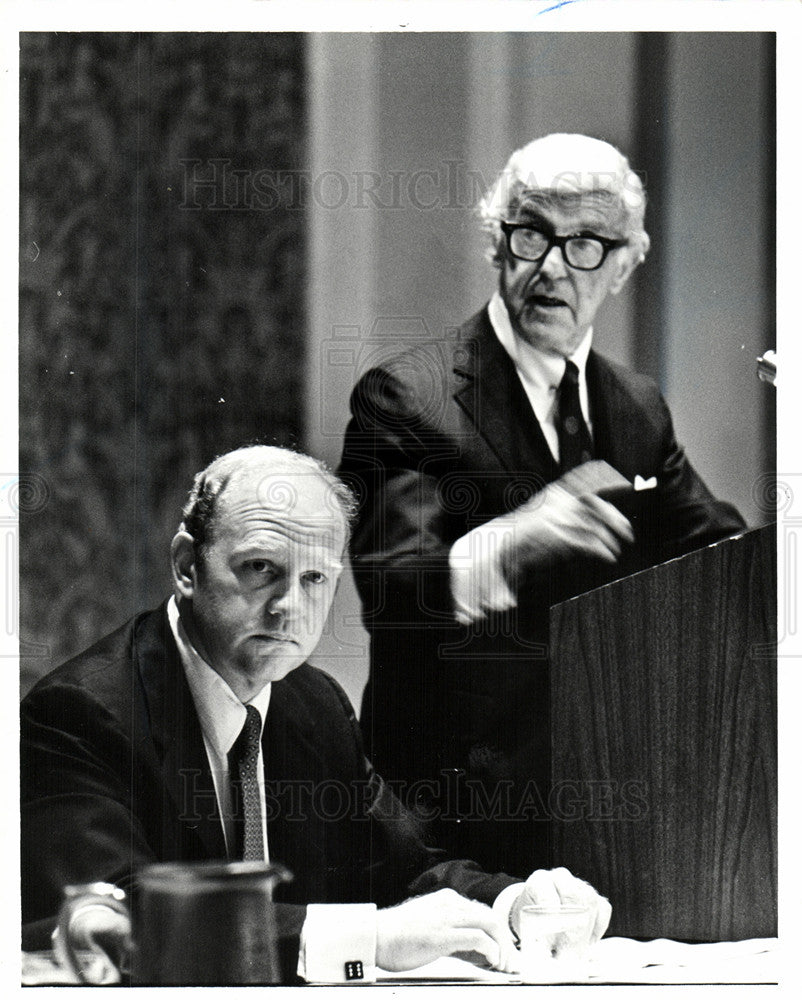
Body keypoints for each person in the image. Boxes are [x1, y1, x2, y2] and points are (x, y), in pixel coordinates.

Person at [21, 444, 611, 984]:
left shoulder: (315, 703)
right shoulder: (78, 713)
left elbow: (404, 868)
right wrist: (368, 940)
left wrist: (515, 904)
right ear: (185, 566)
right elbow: (110, 925)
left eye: (314, 579)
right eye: (260, 570)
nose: (289, 609)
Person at [338, 133, 746, 878]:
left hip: (607, 812)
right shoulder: (407, 395)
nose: (553, 268)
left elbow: (725, 556)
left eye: (588, 243)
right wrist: (514, 540)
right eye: (532, 236)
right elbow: (392, 590)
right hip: (448, 827)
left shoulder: (638, 408)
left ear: (626, 264)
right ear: (497, 243)